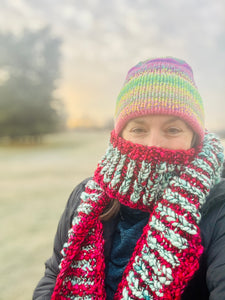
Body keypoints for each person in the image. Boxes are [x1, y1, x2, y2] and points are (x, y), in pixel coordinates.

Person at [33, 57, 225, 300]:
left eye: (173, 129)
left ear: (194, 138)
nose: (154, 144)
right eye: (138, 129)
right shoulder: (85, 196)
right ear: (120, 134)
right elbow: (54, 273)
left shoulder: (218, 208)